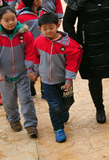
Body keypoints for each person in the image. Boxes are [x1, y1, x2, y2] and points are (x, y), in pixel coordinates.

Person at [0, 6, 38, 136]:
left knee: (26, 99)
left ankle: (31, 124)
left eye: (13, 19)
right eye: (6, 20)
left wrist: (31, 69)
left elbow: (30, 53)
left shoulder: (25, 34)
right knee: (9, 101)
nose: (11, 23)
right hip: (3, 76)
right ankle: (13, 119)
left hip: (22, 74)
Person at [33, 12, 83, 143]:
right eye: (44, 29)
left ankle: (63, 112)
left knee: (68, 102)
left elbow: (73, 61)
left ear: (58, 25)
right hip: (47, 82)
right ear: (39, 29)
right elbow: (34, 57)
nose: (48, 31)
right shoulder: (38, 42)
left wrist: (69, 79)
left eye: (51, 28)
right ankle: (58, 129)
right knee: (54, 106)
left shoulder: (68, 43)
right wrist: (34, 70)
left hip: (63, 81)